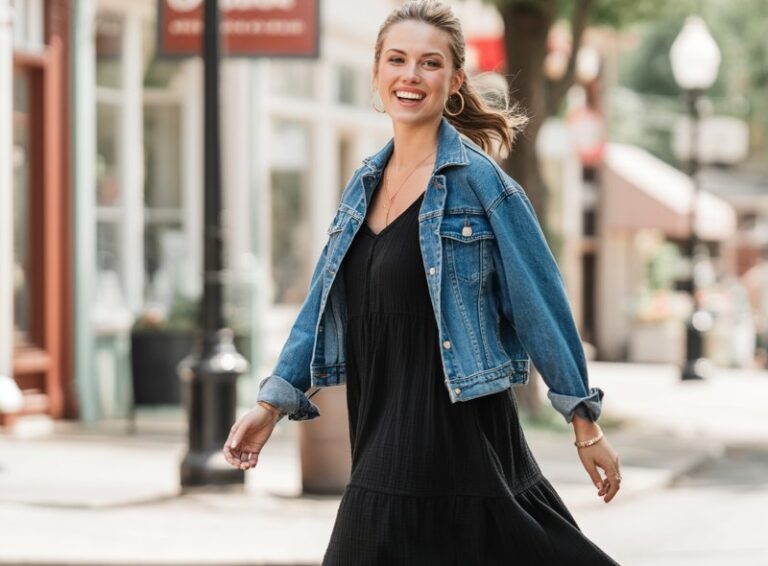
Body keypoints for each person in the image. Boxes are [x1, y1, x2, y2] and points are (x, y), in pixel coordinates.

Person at [224, 1, 621, 563]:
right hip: (378, 422)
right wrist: (271, 404)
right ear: (377, 73)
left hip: (457, 434)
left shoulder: (484, 187)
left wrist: (584, 424)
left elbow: (542, 305)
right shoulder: (362, 184)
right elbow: (321, 305)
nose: (411, 76)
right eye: (397, 60)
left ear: (454, 80)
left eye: (429, 63)